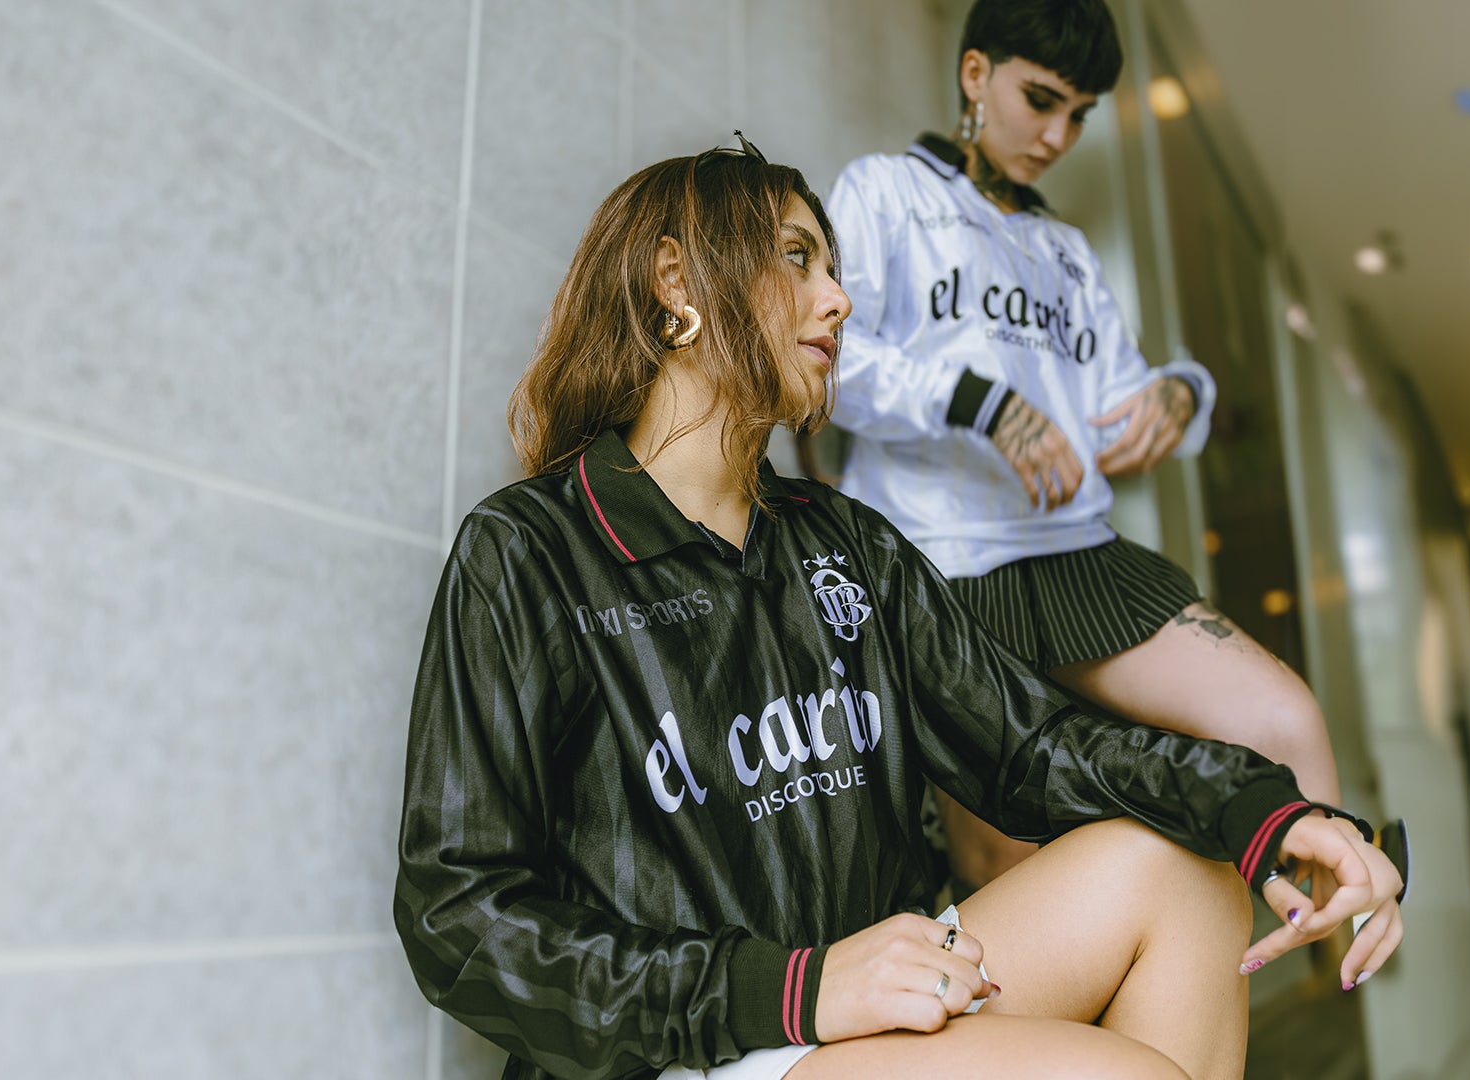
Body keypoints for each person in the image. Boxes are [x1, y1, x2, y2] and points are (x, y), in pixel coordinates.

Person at [393, 141, 1404, 1080]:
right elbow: (457, 916)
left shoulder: (847, 543)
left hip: (862, 1006)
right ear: (676, 283)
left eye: (834, 269)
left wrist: (1270, 814)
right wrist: (794, 989)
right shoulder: (528, 552)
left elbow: (1035, 748)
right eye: (797, 258)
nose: (838, 300)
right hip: (686, 1051)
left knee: (1188, 876)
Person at [821, 0, 1342, 888]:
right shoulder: (885, 191)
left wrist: (1182, 392)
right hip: (940, 566)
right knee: (1016, 867)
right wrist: (981, 403)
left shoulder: (1064, 248)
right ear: (975, 74)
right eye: (1041, 100)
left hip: (1078, 557)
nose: (1059, 137)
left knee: (1286, 724)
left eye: (1080, 115)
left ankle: (1343, 936)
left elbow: (1118, 398)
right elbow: (830, 360)